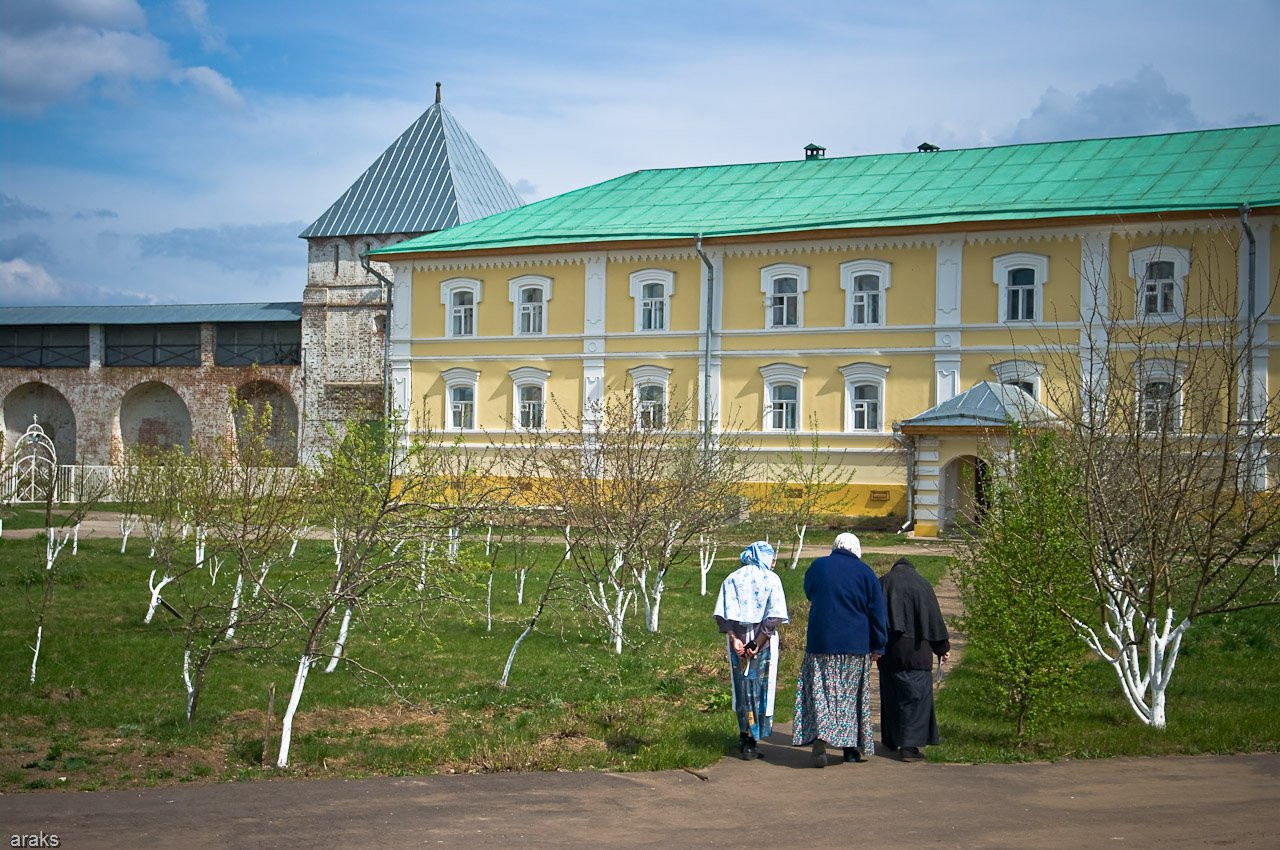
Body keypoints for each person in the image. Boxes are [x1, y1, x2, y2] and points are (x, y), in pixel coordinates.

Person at [792, 532, 887, 767]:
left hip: (821, 642)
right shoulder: (866, 572)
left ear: (835, 546)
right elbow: (877, 612)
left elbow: (809, 592)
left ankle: (821, 737)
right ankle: (850, 750)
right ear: (857, 549)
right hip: (855, 644)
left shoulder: (818, 566)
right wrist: (879, 645)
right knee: (850, 696)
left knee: (822, 692)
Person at [713, 541, 789, 760]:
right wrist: (756, 643)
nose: (773, 562)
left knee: (742, 687)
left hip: (737, 644)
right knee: (758, 688)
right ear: (763, 557)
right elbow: (773, 616)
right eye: (772, 558)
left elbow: (722, 614)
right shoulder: (771, 579)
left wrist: (736, 639)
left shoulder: (732, 578)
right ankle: (752, 741)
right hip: (762, 644)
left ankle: (744, 734)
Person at [877, 556, 950, 762]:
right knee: (915, 699)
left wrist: (873, 646)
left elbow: (873, 617)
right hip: (917, 652)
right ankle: (908, 748)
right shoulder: (923, 585)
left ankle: (890, 739)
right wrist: (942, 648)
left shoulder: (883, 582)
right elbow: (934, 619)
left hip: (889, 652)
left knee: (891, 697)